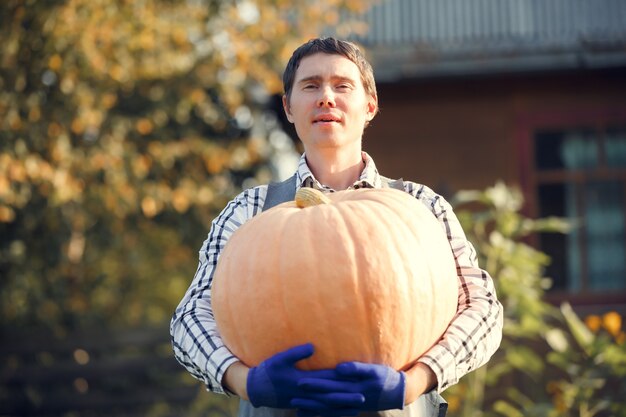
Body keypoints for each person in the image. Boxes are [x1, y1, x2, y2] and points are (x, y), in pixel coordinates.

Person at [171, 37, 503, 417]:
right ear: (289, 108)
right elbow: (190, 318)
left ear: (370, 106)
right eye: (310, 86)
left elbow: (483, 310)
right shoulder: (248, 211)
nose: (326, 97)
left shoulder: (422, 205)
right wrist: (244, 381)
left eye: (342, 86)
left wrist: (414, 381)